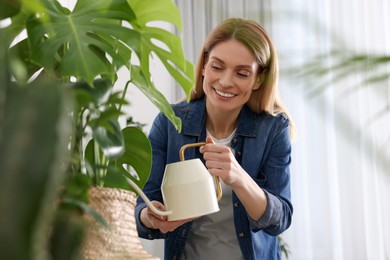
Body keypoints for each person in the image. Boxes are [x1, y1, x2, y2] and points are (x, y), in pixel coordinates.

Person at [135, 17, 295, 260]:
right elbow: (142, 210)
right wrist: (151, 216)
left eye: (242, 73)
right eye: (217, 67)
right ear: (203, 66)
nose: (225, 81)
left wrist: (238, 176)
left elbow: (280, 219)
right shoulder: (169, 123)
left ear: (258, 79)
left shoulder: (273, 128)